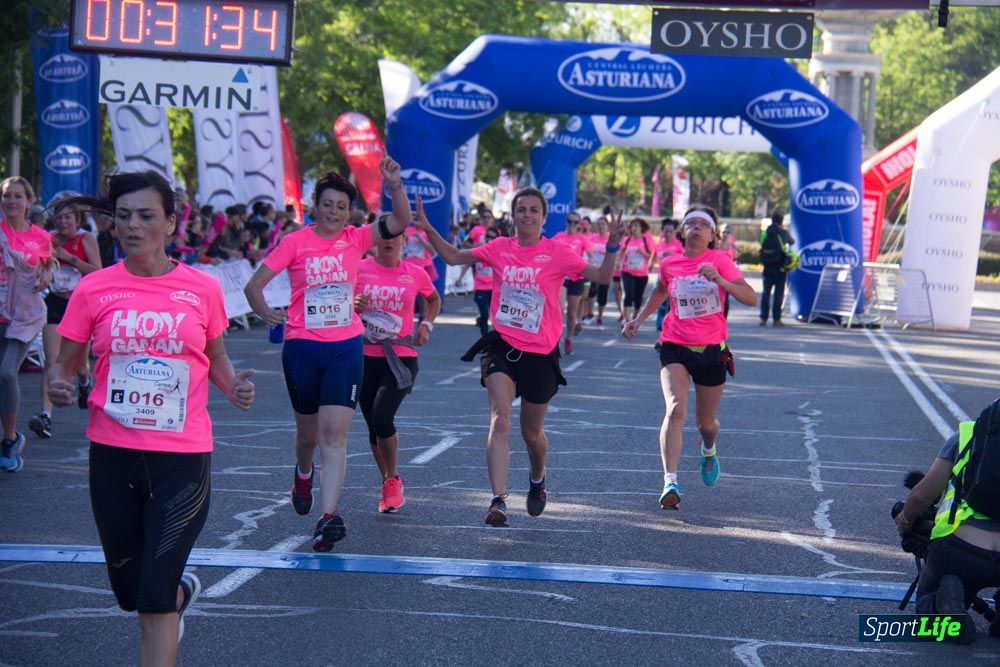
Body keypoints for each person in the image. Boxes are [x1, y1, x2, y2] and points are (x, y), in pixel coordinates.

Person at [45, 171, 255, 666]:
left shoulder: (200, 289)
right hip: (113, 456)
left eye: (145, 216)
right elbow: (67, 364)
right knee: (131, 592)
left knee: (153, 597)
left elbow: (215, 356)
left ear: (170, 221)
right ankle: (182, 594)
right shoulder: (93, 289)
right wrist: (58, 381)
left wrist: (234, 387)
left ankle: (169, 597)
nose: (133, 226)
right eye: (123, 217)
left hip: (181, 459)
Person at [412, 188, 625, 526]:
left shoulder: (558, 253)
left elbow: (600, 276)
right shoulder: (498, 249)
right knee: (500, 418)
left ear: (543, 217)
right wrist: (427, 227)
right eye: (521, 209)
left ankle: (537, 477)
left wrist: (612, 245)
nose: (527, 215)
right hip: (503, 346)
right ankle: (498, 500)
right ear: (513, 215)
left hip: (540, 354)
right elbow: (453, 257)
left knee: (531, 434)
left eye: (534, 210)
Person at [243, 156, 411, 552]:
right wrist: (265, 312)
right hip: (302, 347)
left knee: (334, 435)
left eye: (341, 206)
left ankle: (327, 517)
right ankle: (303, 472)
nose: (334, 212)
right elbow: (254, 286)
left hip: (345, 348)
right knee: (308, 437)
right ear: (314, 206)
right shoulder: (295, 243)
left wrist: (394, 184)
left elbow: (400, 222)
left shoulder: (356, 239)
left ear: (348, 211)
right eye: (327, 204)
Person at [622, 205, 756, 510]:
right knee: (675, 408)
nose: (696, 227)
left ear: (711, 235)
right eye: (690, 223)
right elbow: (659, 291)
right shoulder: (670, 264)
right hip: (674, 344)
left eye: (703, 224)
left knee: (705, 424)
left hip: (711, 350)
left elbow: (750, 297)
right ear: (683, 231)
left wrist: (721, 281)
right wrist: (638, 320)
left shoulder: (720, 260)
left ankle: (709, 447)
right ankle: (670, 480)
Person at [895, 398, 1000, 644]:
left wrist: (906, 520)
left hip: (962, 550)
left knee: (927, 599)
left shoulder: (966, 436)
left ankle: (938, 606)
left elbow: (921, 495)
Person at [354, 224, 440, 513]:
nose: (389, 241)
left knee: (382, 416)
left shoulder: (415, 272)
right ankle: (388, 481)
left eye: (395, 236)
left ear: (405, 240)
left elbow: (433, 298)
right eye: (384, 236)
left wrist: (425, 325)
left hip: (400, 355)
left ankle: (393, 479)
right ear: (376, 240)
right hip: (363, 355)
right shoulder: (358, 269)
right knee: (372, 427)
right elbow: (338, 303)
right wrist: (351, 304)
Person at [27, 199, 101, 440]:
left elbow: (98, 272)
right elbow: (38, 264)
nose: (63, 222)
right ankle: (45, 417)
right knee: (51, 360)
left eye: (68, 217)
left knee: (78, 363)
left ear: (77, 220)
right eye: (59, 218)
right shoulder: (48, 238)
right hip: (56, 302)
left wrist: (70, 258)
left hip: (80, 304)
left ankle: (84, 379)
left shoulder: (85, 239)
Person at [0, 177, 54, 472]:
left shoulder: (40, 237)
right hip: (0, 313)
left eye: (17, 196)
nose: (11, 202)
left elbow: (49, 266)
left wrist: (46, 277)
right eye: (7, 196)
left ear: (28, 202)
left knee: (7, 372)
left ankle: (10, 438)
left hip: (25, 315)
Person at [552, 212, 592, 355]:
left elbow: (591, 256)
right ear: (566, 222)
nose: (572, 225)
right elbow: (549, 252)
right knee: (559, 308)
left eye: (576, 223)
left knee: (571, 314)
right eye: (570, 221)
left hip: (577, 279)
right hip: (561, 278)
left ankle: (568, 338)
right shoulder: (558, 237)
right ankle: (556, 338)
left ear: (579, 224)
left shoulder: (582, 239)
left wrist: (585, 267)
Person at [759, 211, 794, 327]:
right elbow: (792, 242)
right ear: (781, 221)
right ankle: (776, 319)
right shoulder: (782, 232)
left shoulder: (765, 232)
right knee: (778, 294)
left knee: (766, 293)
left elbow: (761, 244)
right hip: (780, 268)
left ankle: (763, 318)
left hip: (767, 266)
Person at [621, 218, 653, 322]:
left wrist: (642, 252)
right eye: (632, 226)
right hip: (627, 271)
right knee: (628, 294)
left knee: (638, 297)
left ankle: (635, 315)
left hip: (641, 274)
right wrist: (621, 259)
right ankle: (627, 320)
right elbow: (621, 253)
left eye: (637, 226)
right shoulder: (627, 240)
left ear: (641, 228)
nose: (634, 228)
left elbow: (651, 256)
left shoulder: (645, 240)